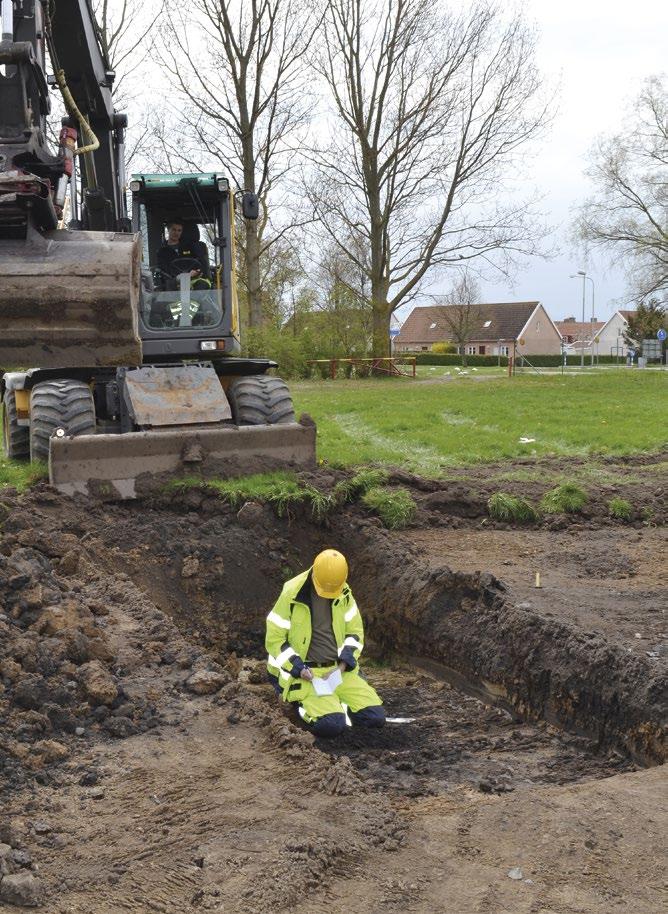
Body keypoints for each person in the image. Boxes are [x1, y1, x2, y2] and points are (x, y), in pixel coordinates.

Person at [265, 549, 385, 737]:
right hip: (305, 673)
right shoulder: (292, 593)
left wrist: (343, 665)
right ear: (314, 574)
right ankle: (299, 709)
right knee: (331, 726)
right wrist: (298, 668)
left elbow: (355, 634)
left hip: (337, 671)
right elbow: (274, 639)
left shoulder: (343, 591)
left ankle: (335, 702)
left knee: (374, 719)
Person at [155, 217, 212, 291]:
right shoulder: (162, 251)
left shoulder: (190, 247)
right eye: (174, 230)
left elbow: (201, 264)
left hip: (193, 281)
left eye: (179, 230)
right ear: (168, 230)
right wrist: (177, 278)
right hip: (173, 284)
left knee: (201, 285)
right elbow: (163, 270)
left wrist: (195, 272)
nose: (176, 233)